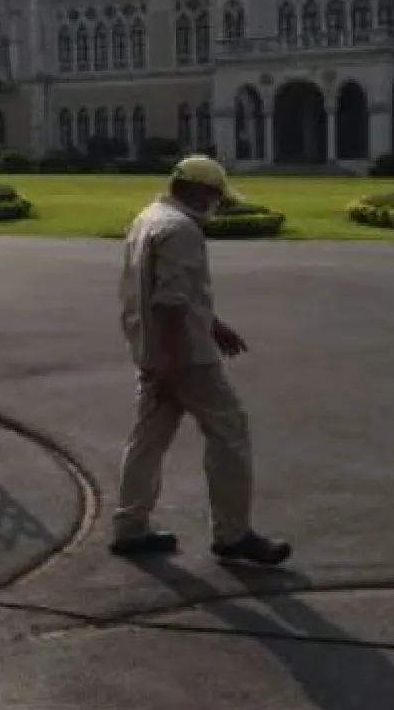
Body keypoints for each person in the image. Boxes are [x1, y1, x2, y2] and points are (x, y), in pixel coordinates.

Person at [110, 155, 291, 567]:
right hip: (186, 357)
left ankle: (130, 525)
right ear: (197, 190)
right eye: (214, 195)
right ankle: (233, 532)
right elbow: (171, 301)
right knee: (229, 431)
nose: (215, 204)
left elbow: (171, 290)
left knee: (149, 436)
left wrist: (211, 323)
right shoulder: (181, 230)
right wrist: (175, 365)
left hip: (151, 347)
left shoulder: (148, 218)